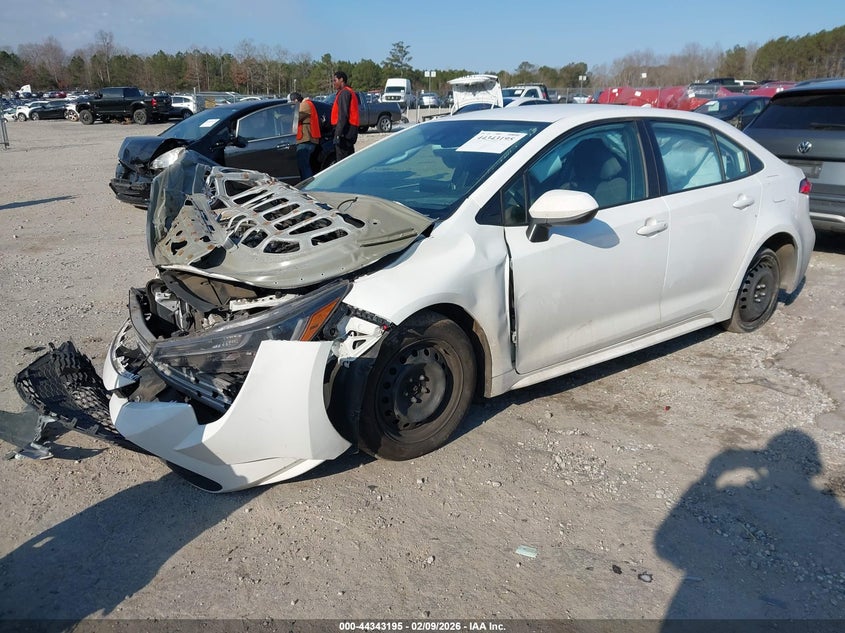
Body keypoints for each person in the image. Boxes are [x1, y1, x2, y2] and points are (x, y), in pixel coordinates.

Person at [290, 92, 321, 180]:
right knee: (305, 165)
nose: (291, 104)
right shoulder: (307, 104)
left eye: (292, 102)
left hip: (306, 139)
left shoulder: (304, 105)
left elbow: (295, 118)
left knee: (303, 166)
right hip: (308, 139)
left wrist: (279, 116)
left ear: (296, 100)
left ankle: (307, 184)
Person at [330, 71, 359, 161]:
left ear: (341, 80)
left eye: (335, 80)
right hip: (350, 130)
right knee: (349, 159)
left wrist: (338, 134)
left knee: (342, 160)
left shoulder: (344, 93)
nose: (334, 83)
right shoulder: (349, 91)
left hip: (345, 131)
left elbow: (343, 115)